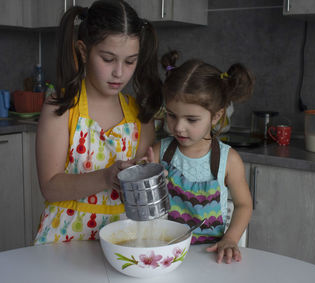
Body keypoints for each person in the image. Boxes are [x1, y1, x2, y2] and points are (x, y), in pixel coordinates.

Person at [34, 0, 162, 245]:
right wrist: (106, 177)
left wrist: (146, 175)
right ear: (83, 51)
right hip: (64, 240)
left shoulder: (139, 114)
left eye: (130, 61)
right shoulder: (61, 107)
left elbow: (139, 184)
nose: (119, 73)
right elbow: (50, 187)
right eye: (108, 59)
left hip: (122, 240)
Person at [149, 50, 254, 264]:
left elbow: (244, 205)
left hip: (210, 257)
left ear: (216, 116)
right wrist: (148, 177)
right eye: (171, 115)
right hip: (165, 254)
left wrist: (231, 239)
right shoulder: (160, 151)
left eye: (191, 119)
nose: (178, 127)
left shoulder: (228, 160)